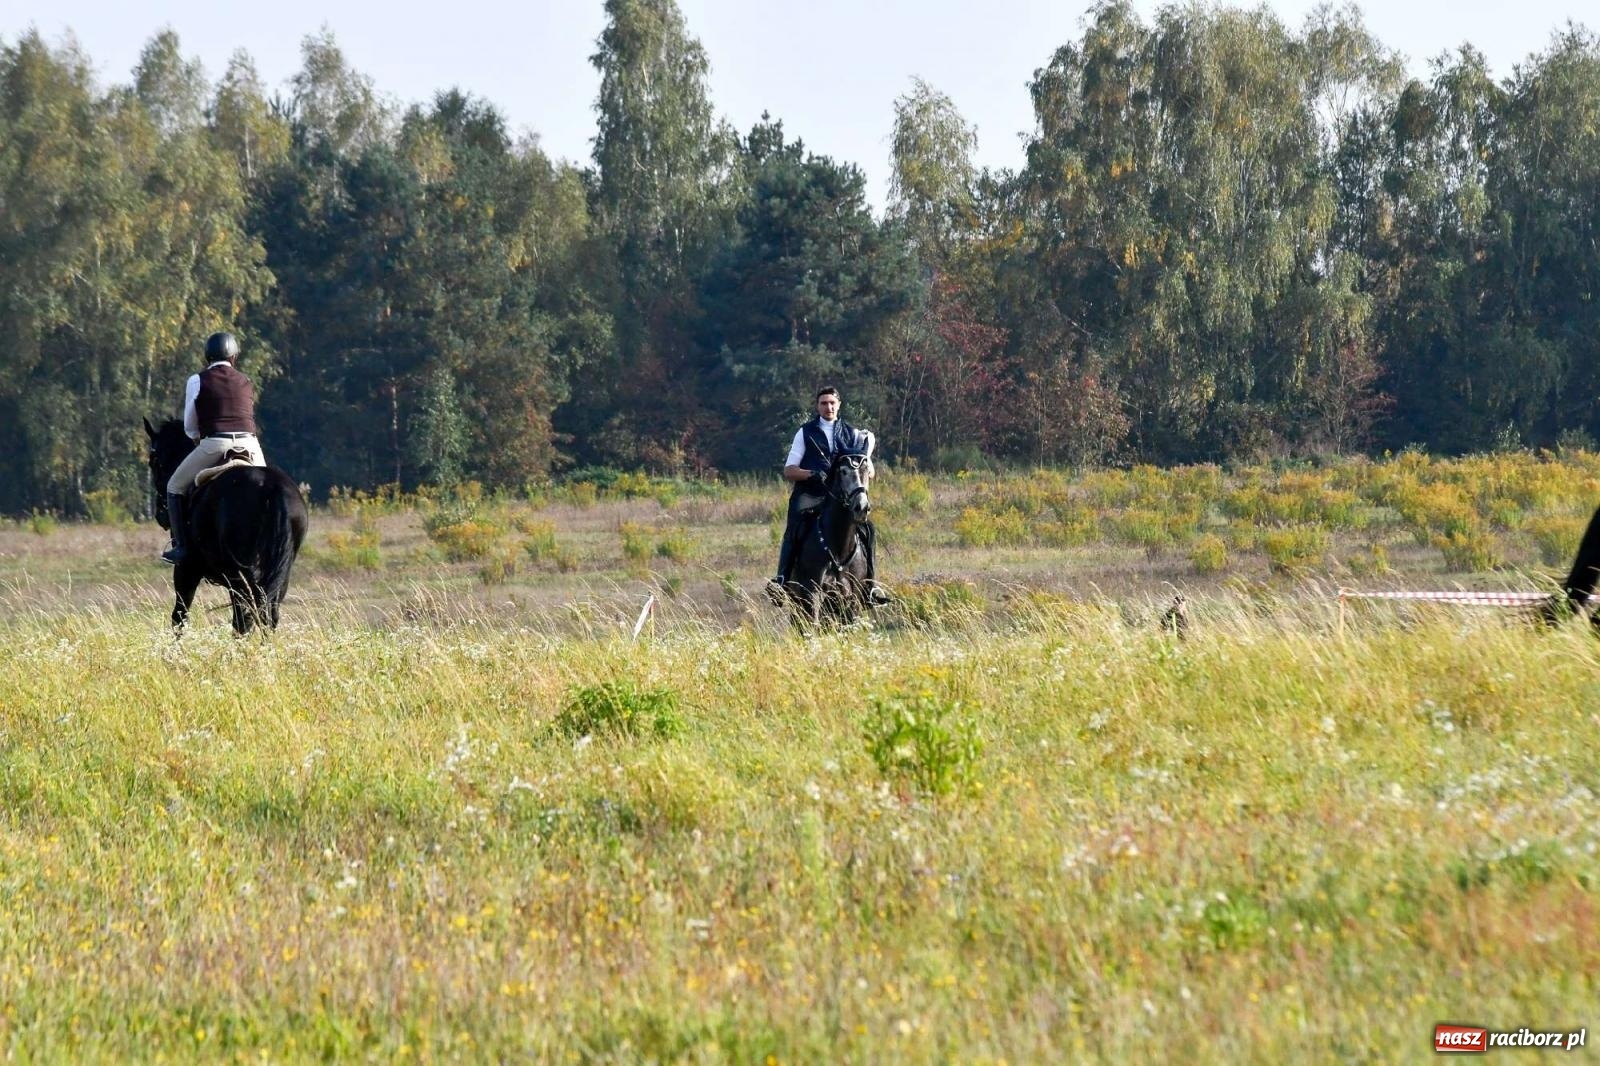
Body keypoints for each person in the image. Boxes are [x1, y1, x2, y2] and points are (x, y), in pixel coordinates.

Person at [768, 385, 889, 604]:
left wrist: (864, 475)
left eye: (832, 403)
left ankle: (870, 588)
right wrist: (811, 474)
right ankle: (782, 580)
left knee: (868, 530)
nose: (828, 407)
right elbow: (789, 470)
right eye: (824, 403)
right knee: (794, 528)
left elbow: (867, 470)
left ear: (839, 405)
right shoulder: (805, 432)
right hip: (810, 495)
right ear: (817, 406)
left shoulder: (852, 434)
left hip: (842, 500)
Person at [161, 331, 266, 564]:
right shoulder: (246, 381)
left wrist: (196, 437)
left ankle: (181, 547)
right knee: (266, 488)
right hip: (250, 444)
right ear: (234, 357)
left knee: (174, 486)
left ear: (207, 357)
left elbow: (189, 423)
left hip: (216, 443)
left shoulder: (197, 380)